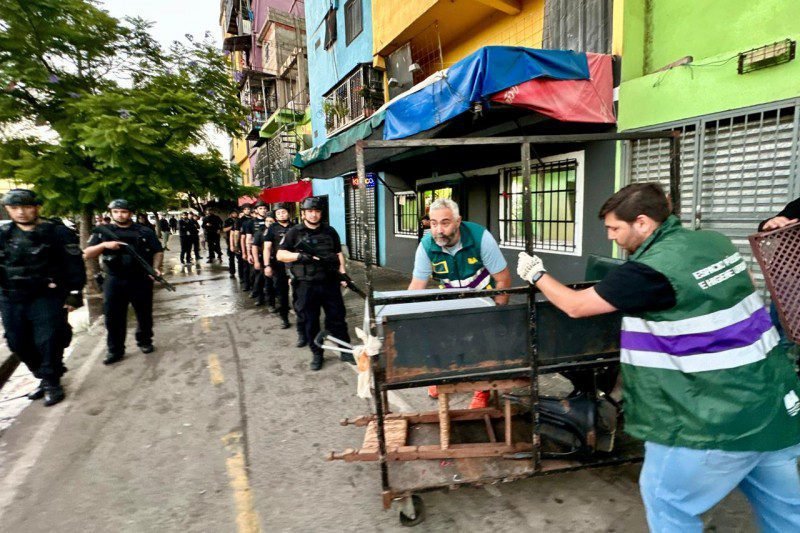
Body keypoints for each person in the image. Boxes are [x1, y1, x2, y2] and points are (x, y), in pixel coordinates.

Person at [515, 182, 800, 532]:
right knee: (787, 514)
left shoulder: (650, 271)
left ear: (642, 222)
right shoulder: (715, 242)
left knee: (668, 503)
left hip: (716, 415)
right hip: (774, 403)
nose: (611, 237)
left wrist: (537, 274)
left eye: (615, 229)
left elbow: (575, 306)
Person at [408, 198, 512, 408]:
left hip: (483, 299)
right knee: (439, 337)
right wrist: (403, 317)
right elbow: (417, 286)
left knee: (481, 344)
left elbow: (503, 279)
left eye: (445, 223)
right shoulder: (426, 245)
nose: (438, 230)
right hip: (451, 300)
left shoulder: (480, 237)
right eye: (433, 223)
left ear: (458, 221)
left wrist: (498, 313)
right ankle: (443, 378)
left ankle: (482, 388)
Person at [0, 189, 86, 406]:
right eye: (14, 208)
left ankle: (51, 381)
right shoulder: (3, 234)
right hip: (11, 297)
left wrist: (75, 293)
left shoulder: (56, 232)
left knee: (49, 339)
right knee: (17, 342)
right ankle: (43, 375)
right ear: (8, 209)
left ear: (36, 207)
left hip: (46, 296)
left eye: (26, 207)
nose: (20, 212)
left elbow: (74, 263)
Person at [84, 199, 164, 365]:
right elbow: (87, 253)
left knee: (144, 313)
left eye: (124, 212)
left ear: (130, 213)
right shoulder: (103, 232)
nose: (120, 215)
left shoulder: (144, 231)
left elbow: (158, 251)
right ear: (111, 213)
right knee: (113, 316)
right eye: (116, 212)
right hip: (114, 279)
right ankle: (115, 350)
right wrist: (104, 245)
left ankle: (145, 341)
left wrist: (155, 268)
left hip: (140, 278)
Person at [277, 197, 353, 371]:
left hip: (330, 283)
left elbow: (338, 253)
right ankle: (317, 353)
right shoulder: (294, 232)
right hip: (306, 285)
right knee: (310, 321)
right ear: (303, 213)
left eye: (317, 211)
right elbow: (280, 255)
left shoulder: (330, 231)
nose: (313, 215)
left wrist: (343, 274)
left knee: (337, 318)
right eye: (310, 211)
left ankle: (345, 350)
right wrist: (299, 256)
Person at [265, 203, 293, 330]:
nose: (282, 215)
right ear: (275, 216)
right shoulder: (272, 228)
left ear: (288, 213)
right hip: (278, 265)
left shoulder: (295, 227)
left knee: (300, 291)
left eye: (284, 212)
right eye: (278, 213)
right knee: (282, 293)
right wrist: (267, 265)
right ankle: (284, 317)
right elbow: (267, 248)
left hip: (295, 263)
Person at [248, 201, 269, 305]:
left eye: (264, 208)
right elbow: (248, 239)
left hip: (270, 253)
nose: (263, 210)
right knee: (258, 276)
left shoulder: (270, 220)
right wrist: (248, 253)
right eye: (260, 208)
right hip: (258, 252)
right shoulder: (251, 223)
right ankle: (259, 297)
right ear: (256, 210)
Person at [237, 204, 253, 292]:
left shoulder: (252, 219)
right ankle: (246, 284)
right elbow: (238, 235)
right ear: (243, 211)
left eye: (248, 209)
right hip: (243, 244)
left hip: (253, 245)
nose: (247, 210)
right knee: (245, 266)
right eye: (245, 209)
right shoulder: (240, 221)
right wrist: (236, 246)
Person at [222, 209, 239, 278]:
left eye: (235, 213)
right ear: (231, 214)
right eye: (233, 213)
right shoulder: (227, 221)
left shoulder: (239, 220)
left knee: (239, 257)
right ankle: (232, 272)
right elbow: (224, 229)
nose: (235, 214)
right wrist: (232, 227)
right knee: (231, 257)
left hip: (238, 240)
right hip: (230, 240)